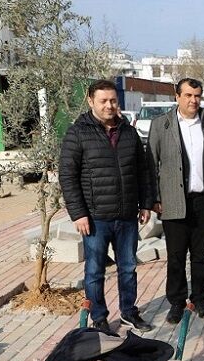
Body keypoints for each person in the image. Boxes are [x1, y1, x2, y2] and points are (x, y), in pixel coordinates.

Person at [59, 79, 155, 333]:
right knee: (94, 271)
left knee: (128, 268)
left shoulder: (129, 133)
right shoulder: (77, 133)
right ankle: (99, 318)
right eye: (103, 101)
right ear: (91, 101)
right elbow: (67, 176)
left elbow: (143, 171)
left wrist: (145, 204)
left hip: (126, 215)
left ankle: (129, 312)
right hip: (95, 218)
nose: (109, 105)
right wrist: (78, 213)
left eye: (113, 100)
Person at [148, 78, 204, 323]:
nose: (194, 100)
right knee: (176, 256)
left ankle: (200, 300)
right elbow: (151, 164)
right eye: (189, 95)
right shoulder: (161, 125)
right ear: (177, 97)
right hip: (173, 201)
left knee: (200, 256)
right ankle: (176, 302)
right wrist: (154, 198)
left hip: (203, 201)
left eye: (197, 96)